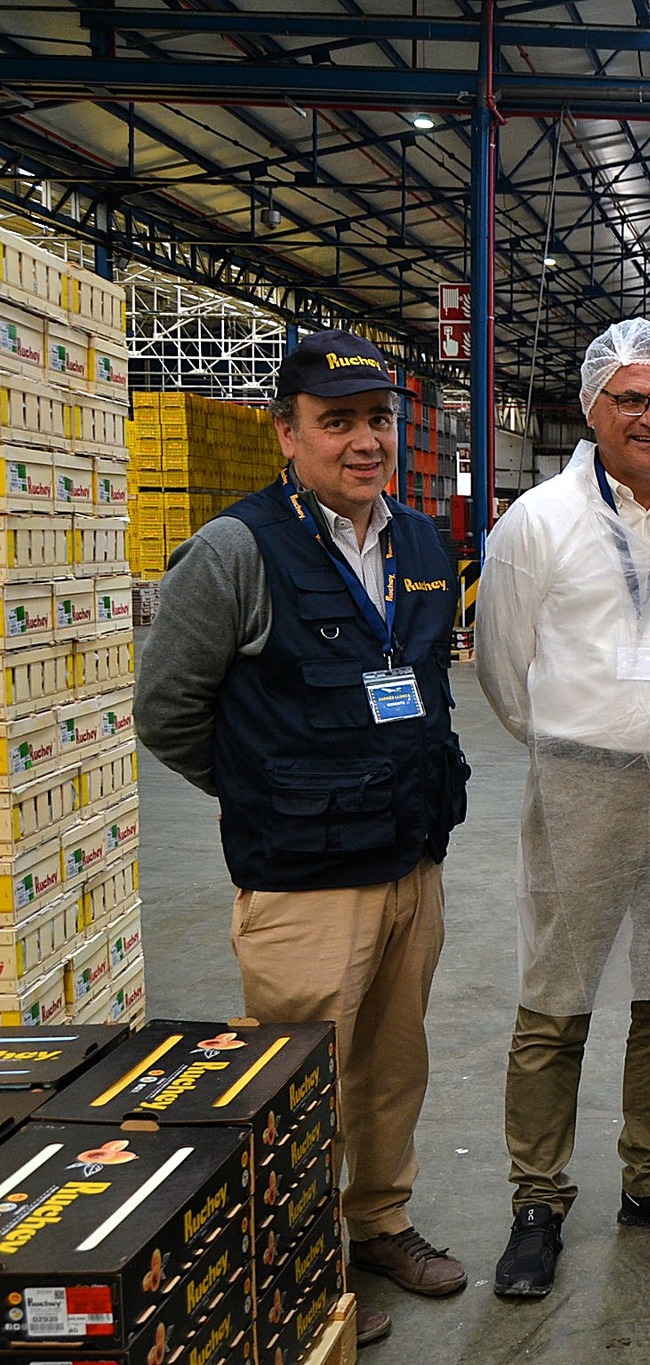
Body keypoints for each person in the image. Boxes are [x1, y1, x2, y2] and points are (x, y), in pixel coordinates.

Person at [136, 330, 472, 1348]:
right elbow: (167, 711)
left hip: (411, 859)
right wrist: (263, 791)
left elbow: (424, 688)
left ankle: (377, 1222)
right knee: (296, 1081)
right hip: (304, 882)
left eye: (377, 420)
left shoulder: (421, 547)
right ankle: (298, 1257)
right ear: (287, 434)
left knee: (391, 1067)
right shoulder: (233, 552)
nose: (364, 441)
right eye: (336, 423)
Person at [476, 320, 650, 1299]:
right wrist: (584, 742)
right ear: (592, 408)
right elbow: (502, 667)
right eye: (630, 398)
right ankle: (537, 1198)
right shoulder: (538, 523)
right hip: (583, 783)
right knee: (555, 998)